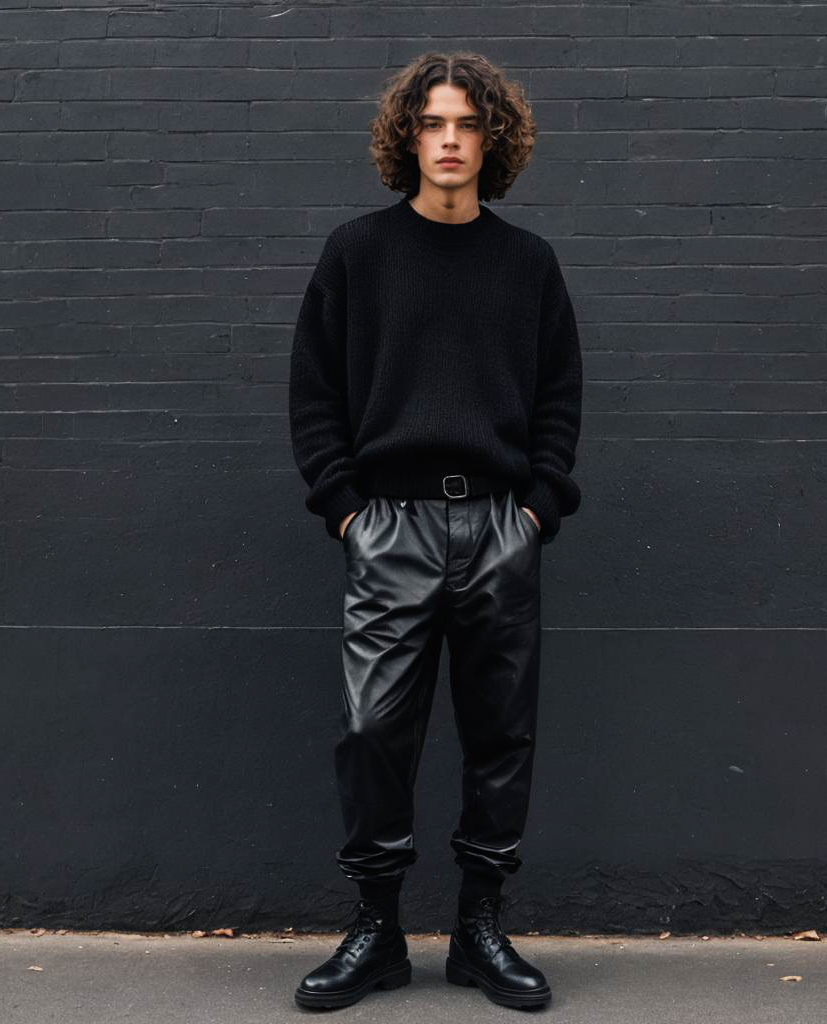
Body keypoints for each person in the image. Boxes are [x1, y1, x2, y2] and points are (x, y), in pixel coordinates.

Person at [288, 51, 582, 1011]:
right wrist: (345, 511)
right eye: (433, 124)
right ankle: (375, 932)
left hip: (501, 527)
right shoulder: (357, 253)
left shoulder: (527, 264)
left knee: (501, 735)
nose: (450, 140)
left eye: (466, 124)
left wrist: (536, 509)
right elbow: (315, 395)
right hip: (390, 528)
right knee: (374, 731)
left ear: (491, 139)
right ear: (406, 137)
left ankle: (479, 931)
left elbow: (560, 399)